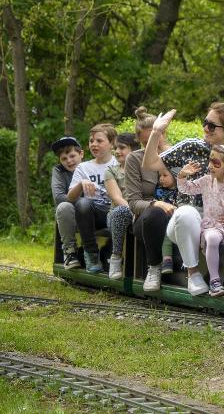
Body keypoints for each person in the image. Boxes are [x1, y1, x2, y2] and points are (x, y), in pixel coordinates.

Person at [142, 99, 224, 294]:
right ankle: (193, 274)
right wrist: (156, 132)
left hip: (222, 222)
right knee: (187, 213)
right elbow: (150, 163)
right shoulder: (191, 146)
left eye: (211, 125)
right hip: (186, 220)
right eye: (204, 122)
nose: (205, 128)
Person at [177, 144, 224, 297]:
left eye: (216, 163)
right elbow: (187, 189)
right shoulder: (207, 181)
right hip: (213, 225)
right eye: (209, 161)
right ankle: (215, 281)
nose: (210, 166)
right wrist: (182, 175)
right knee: (212, 238)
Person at [123, 107, 176, 291]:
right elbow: (133, 202)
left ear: (163, 132)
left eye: (156, 138)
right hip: (146, 218)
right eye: (146, 143)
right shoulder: (134, 159)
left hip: (176, 210)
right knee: (155, 214)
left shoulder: (176, 154)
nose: (151, 146)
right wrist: (157, 203)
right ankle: (154, 267)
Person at [67, 123, 118, 274]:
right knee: (83, 203)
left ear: (112, 143)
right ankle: (91, 255)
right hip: (94, 214)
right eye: (91, 141)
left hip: (114, 209)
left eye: (99, 141)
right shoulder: (83, 167)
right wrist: (81, 184)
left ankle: (110, 256)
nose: (94, 144)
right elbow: (70, 197)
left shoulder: (119, 163)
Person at [104, 133, 141, 280]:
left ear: (134, 150)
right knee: (122, 210)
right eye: (116, 148)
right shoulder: (111, 171)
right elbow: (116, 197)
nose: (117, 151)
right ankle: (116, 257)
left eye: (122, 148)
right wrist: (134, 210)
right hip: (118, 214)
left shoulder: (143, 170)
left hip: (139, 213)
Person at [51, 136, 84, 269]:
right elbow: (59, 197)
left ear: (81, 154)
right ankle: (70, 252)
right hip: (72, 214)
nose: (69, 161)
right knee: (63, 206)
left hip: (94, 212)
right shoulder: (58, 171)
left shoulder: (90, 167)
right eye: (64, 158)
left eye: (72, 156)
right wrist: (82, 201)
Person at [155, 168, 180, 275]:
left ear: (175, 176)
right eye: (160, 176)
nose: (161, 179)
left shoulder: (181, 190)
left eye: (165, 176)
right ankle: (167, 259)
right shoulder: (158, 189)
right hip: (163, 220)